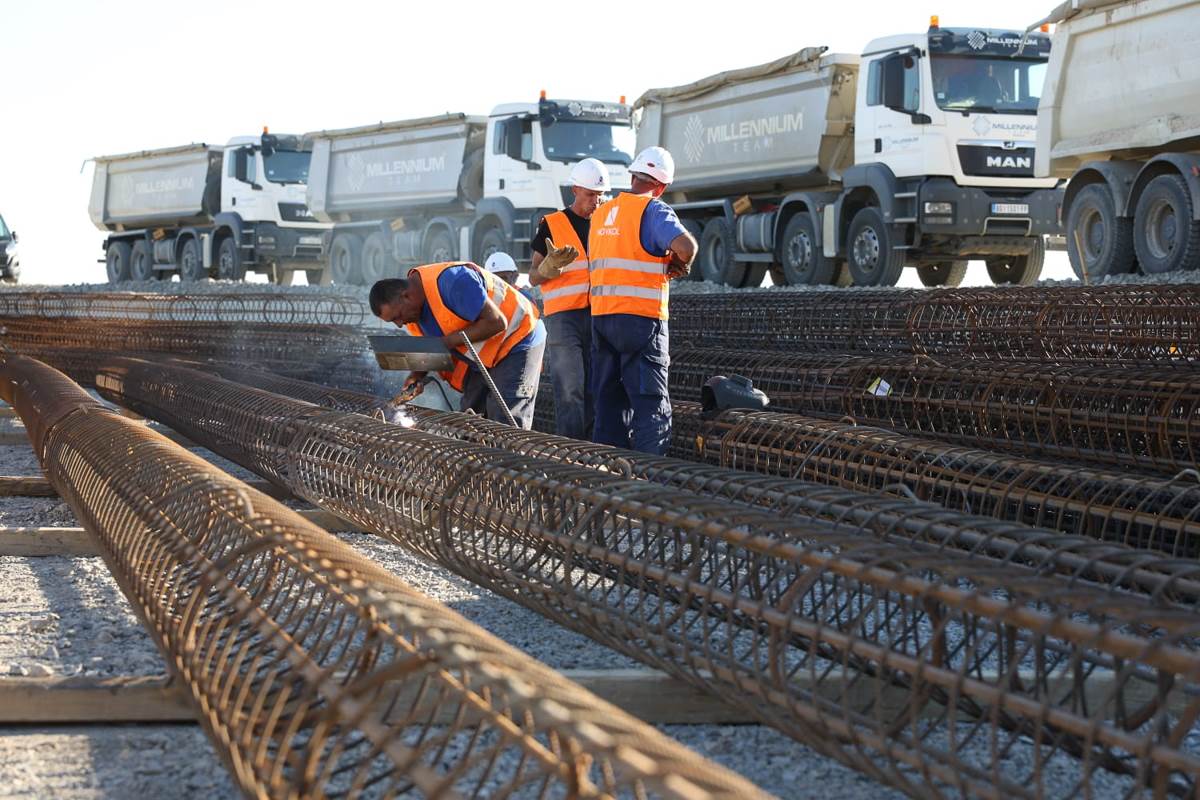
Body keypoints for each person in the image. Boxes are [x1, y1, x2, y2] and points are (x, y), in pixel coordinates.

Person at [585, 146, 696, 455]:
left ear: (633, 176)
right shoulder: (654, 210)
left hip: (602, 320)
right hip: (642, 321)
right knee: (650, 406)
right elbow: (687, 247)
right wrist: (679, 263)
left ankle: (608, 473)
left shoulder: (601, 214)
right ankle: (650, 477)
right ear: (661, 187)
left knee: (609, 405)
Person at [369, 261, 545, 429]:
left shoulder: (453, 281)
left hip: (518, 340)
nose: (400, 324)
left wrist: (445, 343)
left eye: (397, 316)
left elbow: (497, 323)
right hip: (484, 355)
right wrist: (416, 376)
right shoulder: (413, 315)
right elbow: (434, 348)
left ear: (406, 296)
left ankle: (505, 451)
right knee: (471, 418)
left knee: (503, 419)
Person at [528, 157, 611, 441]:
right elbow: (533, 277)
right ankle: (571, 449)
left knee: (595, 390)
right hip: (564, 319)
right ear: (575, 190)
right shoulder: (552, 225)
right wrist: (547, 268)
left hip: (599, 315)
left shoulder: (607, 225)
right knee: (570, 388)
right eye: (590, 195)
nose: (595, 201)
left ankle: (592, 449)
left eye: (600, 195)